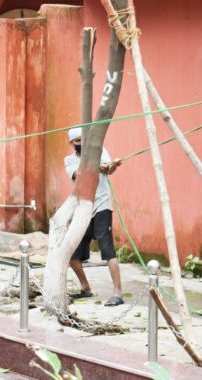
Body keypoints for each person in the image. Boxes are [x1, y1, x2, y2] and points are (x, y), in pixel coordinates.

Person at [65, 127, 124, 306]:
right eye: (77, 141)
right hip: (83, 209)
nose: (81, 143)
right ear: (72, 143)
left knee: (107, 250)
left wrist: (112, 166)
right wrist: (96, 166)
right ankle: (85, 287)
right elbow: (79, 175)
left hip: (101, 207)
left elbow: (108, 170)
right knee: (72, 254)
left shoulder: (100, 151)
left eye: (83, 139)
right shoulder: (69, 160)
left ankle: (117, 293)